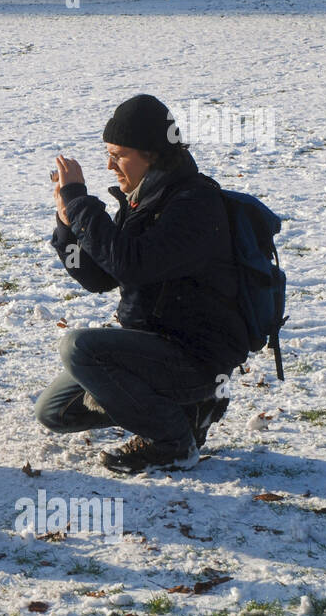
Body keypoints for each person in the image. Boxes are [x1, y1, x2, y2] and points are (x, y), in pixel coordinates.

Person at [35, 94, 246, 474]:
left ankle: (172, 442)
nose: (109, 165)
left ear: (152, 153)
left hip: (196, 357)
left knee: (78, 347)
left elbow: (130, 265)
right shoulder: (142, 199)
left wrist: (81, 203)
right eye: (108, 154)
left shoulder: (192, 203)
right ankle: (185, 413)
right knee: (54, 412)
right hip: (154, 348)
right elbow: (100, 277)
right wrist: (66, 225)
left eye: (119, 155)